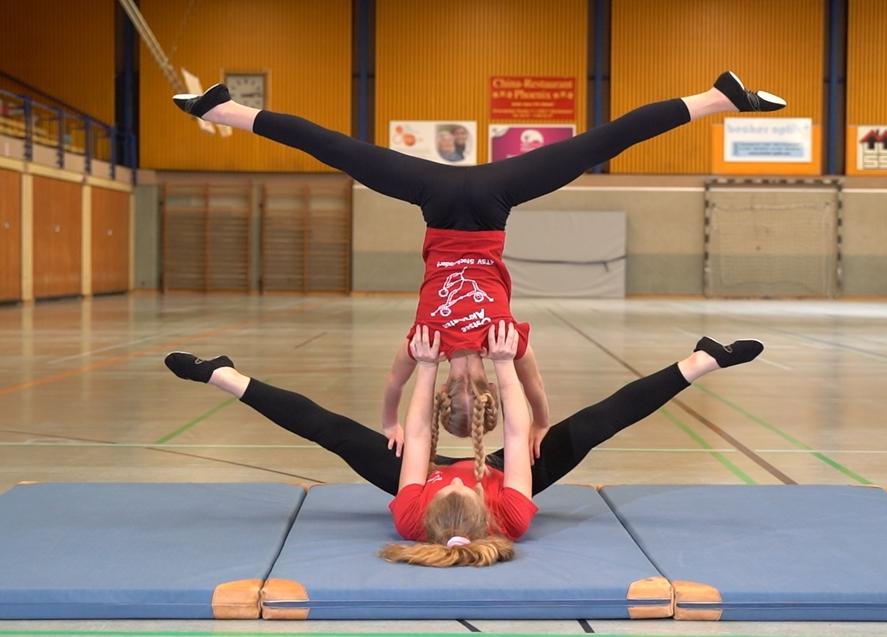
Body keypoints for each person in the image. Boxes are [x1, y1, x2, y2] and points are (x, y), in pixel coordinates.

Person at [172, 71, 785, 461]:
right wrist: (542, 427)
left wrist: (391, 422)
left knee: (336, 148)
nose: (464, 384)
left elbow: (390, 388)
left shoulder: (424, 349)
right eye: (476, 392)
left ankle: (221, 111)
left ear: (442, 395)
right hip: (491, 207)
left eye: (454, 393)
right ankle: (716, 99)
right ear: (487, 392)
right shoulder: (505, 347)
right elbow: (539, 392)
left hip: (439, 206)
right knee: (600, 143)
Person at [163, 328, 764, 567]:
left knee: (335, 433)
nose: (452, 474)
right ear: (482, 499)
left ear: (427, 503)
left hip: (446, 456)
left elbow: (420, 437)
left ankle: (222, 374)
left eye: (444, 480)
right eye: (459, 480)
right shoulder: (513, 513)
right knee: (595, 427)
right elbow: (515, 424)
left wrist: (426, 366)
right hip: (509, 462)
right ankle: (700, 361)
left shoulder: (410, 510)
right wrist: (503, 362)